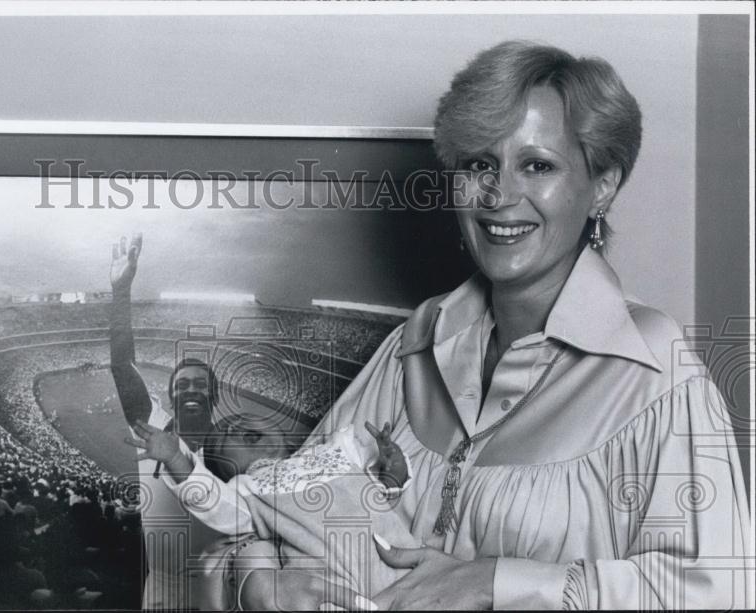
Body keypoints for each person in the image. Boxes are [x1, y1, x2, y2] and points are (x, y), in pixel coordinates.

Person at [235, 41, 753, 610]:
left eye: (538, 165)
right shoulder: (416, 341)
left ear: (602, 184)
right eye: (480, 164)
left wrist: (492, 580)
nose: (499, 195)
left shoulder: (654, 370)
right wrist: (260, 584)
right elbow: (269, 498)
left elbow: (720, 594)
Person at [126, 413, 414, 606]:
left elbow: (381, 493)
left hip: (397, 559)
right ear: (225, 472)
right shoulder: (248, 489)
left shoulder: (334, 449)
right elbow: (214, 503)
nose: (233, 428)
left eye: (240, 420)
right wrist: (177, 458)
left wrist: (393, 471)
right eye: (223, 438)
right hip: (335, 584)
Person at [107, 233, 225, 609]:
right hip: (163, 589)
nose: (191, 389)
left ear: (214, 395)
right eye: (182, 384)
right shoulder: (151, 425)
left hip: (223, 588)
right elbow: (121, 365)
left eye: (200, 384)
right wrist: (120, 292)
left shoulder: (238, 444)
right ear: (171, 395)